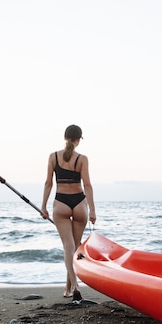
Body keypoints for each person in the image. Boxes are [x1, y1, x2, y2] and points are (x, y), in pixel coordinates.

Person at [41, 124, 96, 302]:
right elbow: (87, 185)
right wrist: (93, 210)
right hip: (79, 203)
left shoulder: (53, 157)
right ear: (78, 140)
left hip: (61, 203)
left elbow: (48, 183)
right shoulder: (82, 158)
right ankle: (69, 286)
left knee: (68, 247)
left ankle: (74, 286)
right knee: (74, 246)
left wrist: (43, 206)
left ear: (65, 138)